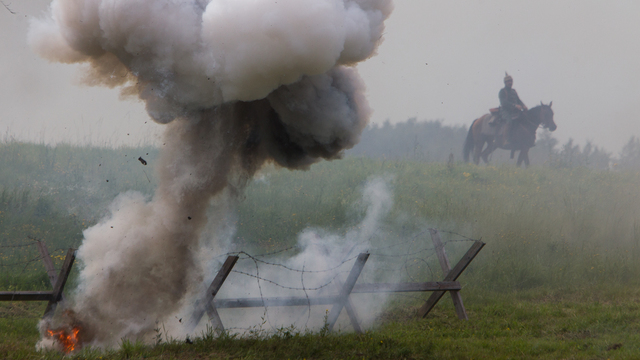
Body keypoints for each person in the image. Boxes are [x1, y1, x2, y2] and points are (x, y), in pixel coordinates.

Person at [498, 73, 527, 146]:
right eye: (508, 81)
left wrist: (523, 105)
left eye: (511, 81)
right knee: (509, 121)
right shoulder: (502, 91)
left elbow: (518, 100)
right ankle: (505, 140)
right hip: (505, 111)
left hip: (515, 111)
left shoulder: (513, 91)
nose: (510, 83)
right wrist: (514, 106)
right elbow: (504, 102)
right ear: (505, 83)